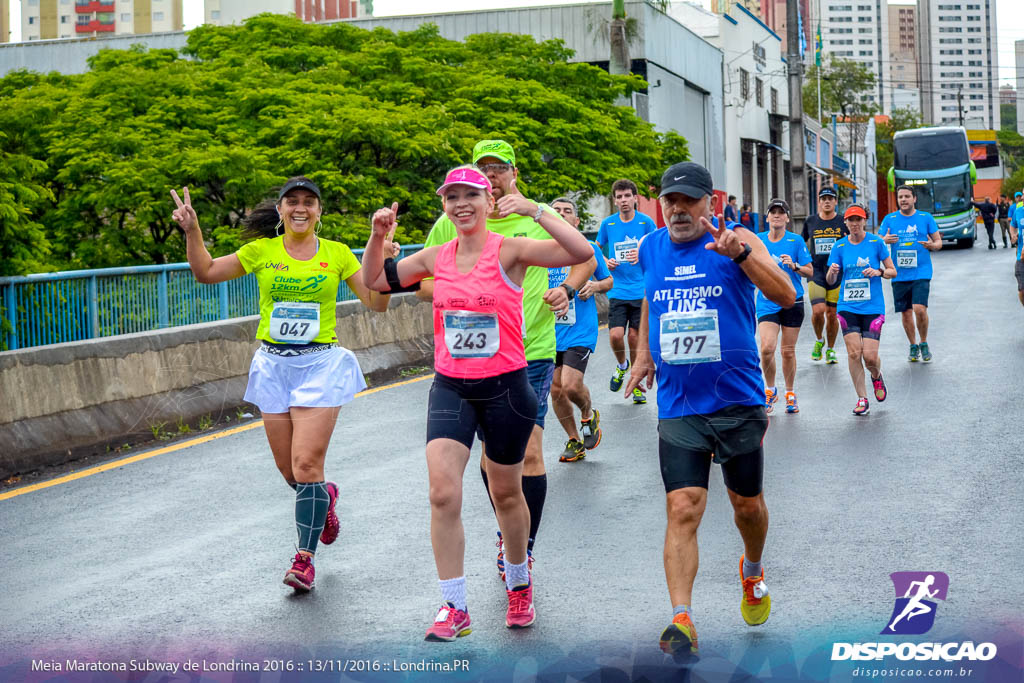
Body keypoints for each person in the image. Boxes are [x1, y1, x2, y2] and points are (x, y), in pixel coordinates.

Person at [362, 166, 592, 639]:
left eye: (471, 195)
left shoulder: (509, 249)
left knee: (506, 493)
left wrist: (536, 210)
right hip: (452, 386)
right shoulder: (436, 255)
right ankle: (454, 605)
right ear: (444, 206)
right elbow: (378, 283)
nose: (461, 204)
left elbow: (581, 252)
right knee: (442, 493)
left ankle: (519, 581)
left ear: (489, 201)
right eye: (452, 197)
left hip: (506, 387)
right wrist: (376, 236)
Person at [170, 178, 391, 592]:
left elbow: (376, 303)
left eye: (310, 202)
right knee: (291, 471)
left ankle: (304, 560)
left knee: (307, 465)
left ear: (319, 211)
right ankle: (323, 498)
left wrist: (382, 261)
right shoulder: (262, 251)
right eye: (293, 202)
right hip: (273, 365)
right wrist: (193, 230)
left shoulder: (338, 255)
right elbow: (205, 272)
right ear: (282, 209)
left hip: (320, 365)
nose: (301, 208)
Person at [623, 161, 795, 659]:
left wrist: (741, 254)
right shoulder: (653, 246)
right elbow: (652, 301)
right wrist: (643, 353)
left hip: (738, 399)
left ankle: (753, 568)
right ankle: (682, 618)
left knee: (747, 507)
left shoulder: (736, 239)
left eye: (689, 201)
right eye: (669, 200)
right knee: (683, 507)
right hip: (678, 403)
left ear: (710, 205)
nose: (677, 209)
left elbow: (784, 295)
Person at [417, 140, 595, 582]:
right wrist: (458, 291)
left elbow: (584, 257)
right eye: (484, 169)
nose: (492, 176)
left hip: (528, 354)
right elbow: (420, 279)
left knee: (530, 457)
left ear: (514, 173)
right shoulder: (450, 221)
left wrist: (567, 289)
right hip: (465, 365)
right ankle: (509, 530)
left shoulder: (534, 218)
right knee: (489, 463)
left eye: (500, 168)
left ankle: (522, 550)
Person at [547, 198, 614, 463]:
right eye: (556, 211)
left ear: (576, 221)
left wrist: (594, 287)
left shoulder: (588, 249)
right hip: (549, 331)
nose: (562, 215)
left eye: (568, 212)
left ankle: (588, 413)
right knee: (555, 390)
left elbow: (608, 280)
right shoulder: (539, 249)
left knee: (571, 386)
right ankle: (575, 440)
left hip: (579, 330)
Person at [826, 204, 897, 416]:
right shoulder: (838, 247)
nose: (855, 224)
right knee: (853, 352)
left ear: (864, 221)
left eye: (858, 220)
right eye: (851, 220)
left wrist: (879, 271)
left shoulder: (876, 242)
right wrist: (831, 271)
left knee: (871, 357)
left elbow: (892, 271)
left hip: (873, 307)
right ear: (845, 223)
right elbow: (831, 280)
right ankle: (862, 398)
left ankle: (876, 376)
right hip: (847, 305)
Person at [596, 179, 657, 404]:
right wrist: (606, 262)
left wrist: (640, 255)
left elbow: (656, 249)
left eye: (627, 196)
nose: (623, 200)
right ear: (615, 200)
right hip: (617, 290)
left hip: (641, 291)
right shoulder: (608, 224)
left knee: (634, 337)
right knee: (615, 335)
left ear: (635, 198)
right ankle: (622, 366)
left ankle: (637, 382)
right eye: (619, 197)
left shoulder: (646, 223)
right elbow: (595, 249)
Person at [756, 199, 813, 415]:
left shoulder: (796, 241)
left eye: (781, 213)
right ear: (767, 217)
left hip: (792, 300)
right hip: (766, 300)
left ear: (788, 218)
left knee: (787, 352)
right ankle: (770, 390)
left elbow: (810, 271)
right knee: (767, 348)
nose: (777, 216)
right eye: (773, 212)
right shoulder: (759, 240)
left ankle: (790, 392)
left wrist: (795, 266)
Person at [880, 185, 942, 363]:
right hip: (899, 274)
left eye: (907, 196)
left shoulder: (925, 218)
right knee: (906, 313)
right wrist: (884, 240)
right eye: (900, 197)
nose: (903, 200)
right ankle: (913, 345)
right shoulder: (890, 219)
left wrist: (932, 245)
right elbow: (876, 241)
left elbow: (938, 242)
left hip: (921, 271)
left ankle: (923, 342)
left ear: (914, 199)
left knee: (919, 309)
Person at [801, 186, 848, 365]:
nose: (827, 201)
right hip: (816, 271)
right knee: (818, 311)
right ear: (819, 202)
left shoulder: (843, 221)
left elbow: (853, 241)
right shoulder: (811, 221)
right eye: (823, 199)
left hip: (837, 272)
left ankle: (830, 349)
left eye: (830, 198)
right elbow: (801, 242)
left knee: (832, 313)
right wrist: (803, 262)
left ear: (835, 202)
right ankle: (819, 340)